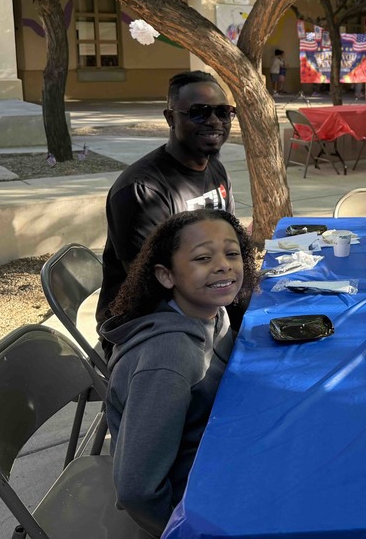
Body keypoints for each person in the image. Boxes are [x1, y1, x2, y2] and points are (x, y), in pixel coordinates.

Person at [101, 209, 257, 536]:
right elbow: (137, 490)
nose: (223, 265)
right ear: (166, 275)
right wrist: (183, 530)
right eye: (202, 258)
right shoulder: (169, 360)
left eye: (232, 253)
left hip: (215, 449)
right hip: (192, 502)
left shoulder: (211, 311)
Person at [99, 71, 238, 330]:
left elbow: (230, 248)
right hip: (149, 324)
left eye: (223, 112)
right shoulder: (142, 190)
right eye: (199, 112)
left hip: (208, 302)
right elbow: (151, 284)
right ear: (170, 118)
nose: (214, 121)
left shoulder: (216, 170)